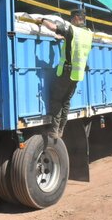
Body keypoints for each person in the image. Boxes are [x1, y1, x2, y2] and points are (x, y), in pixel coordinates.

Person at [39, 8, 93, 139]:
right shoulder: (88, 33)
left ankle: (53, 130)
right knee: (66, 101)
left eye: (71, 19)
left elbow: (52, 27)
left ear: (75, 18)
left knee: (57, 99)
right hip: (77, 73)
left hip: (66, 72)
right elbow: (75, 44)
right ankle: (61, 129)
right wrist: (62, 37)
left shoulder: (72, 29)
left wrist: (41, 20)